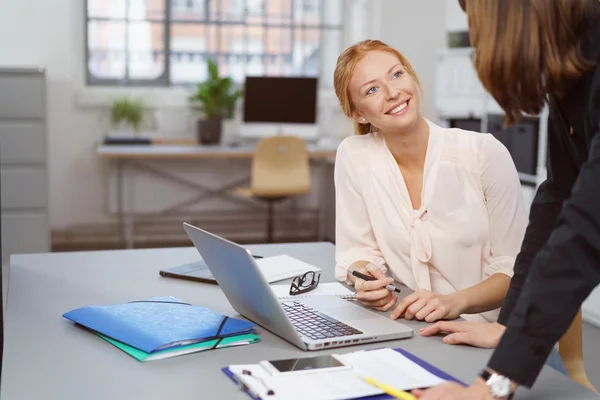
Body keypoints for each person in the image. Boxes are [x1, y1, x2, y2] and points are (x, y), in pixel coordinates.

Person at [415, 0, 600, 398]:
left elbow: (585, 232)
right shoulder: (576, 66)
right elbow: (556, 202)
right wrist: (508, 325)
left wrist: (489, 388)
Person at [332, 39, 528, 324]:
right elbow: (356, 251)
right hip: (413, 326)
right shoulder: (354, 155)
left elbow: (515, 269)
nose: (393, 92)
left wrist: (453, 303)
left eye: (397, 74)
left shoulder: (483, 153)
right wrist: (366, 279)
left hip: (491, 331)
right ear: (358, 113)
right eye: (372, 89)